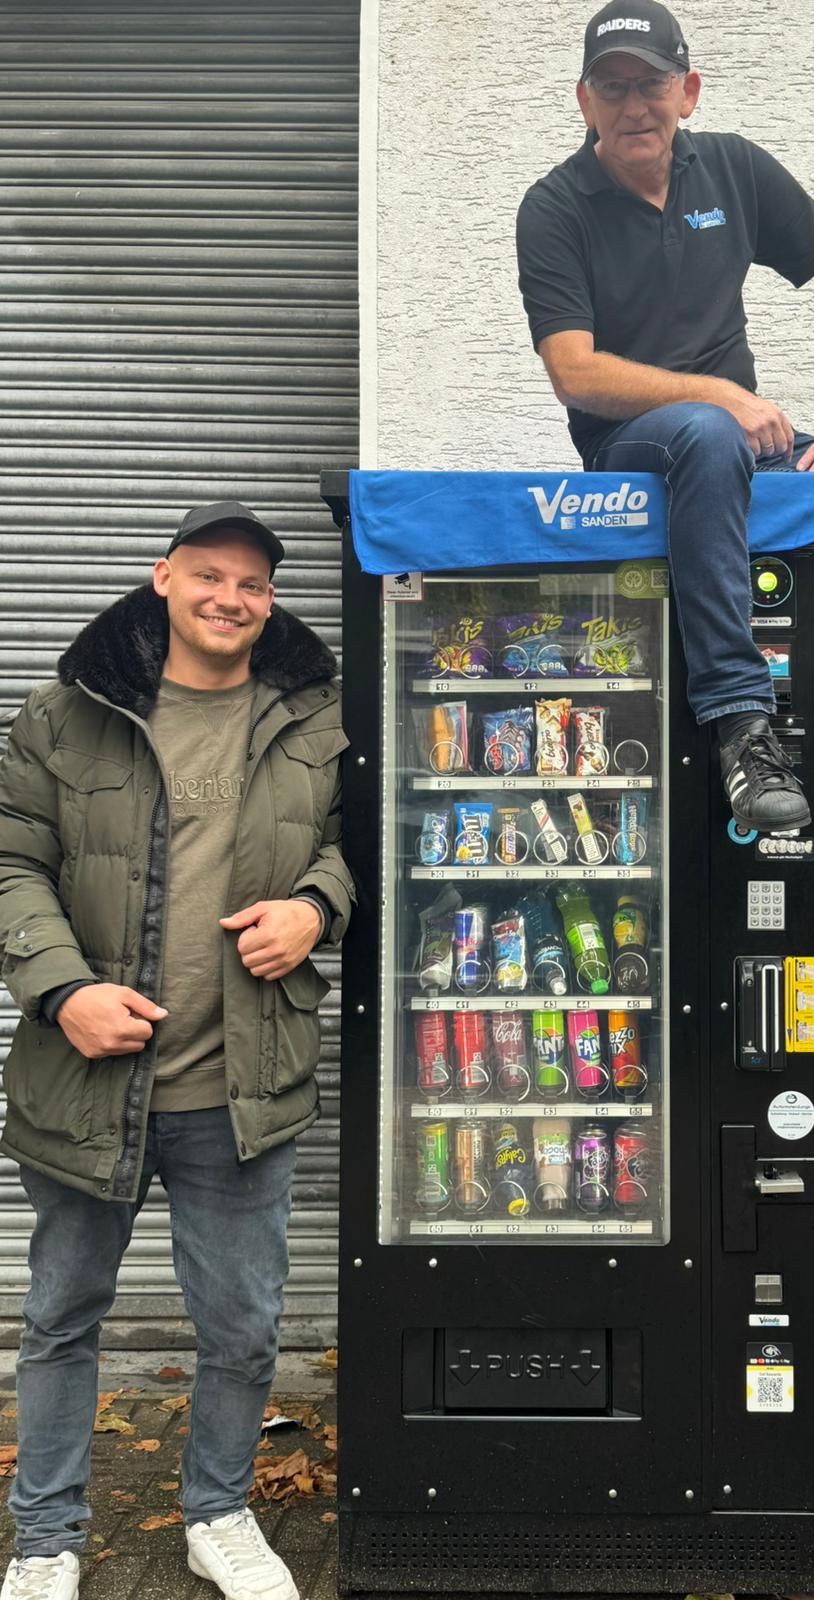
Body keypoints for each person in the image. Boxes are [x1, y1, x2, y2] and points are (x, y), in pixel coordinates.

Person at [0, 503, 354, 1600]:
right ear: (164, 578)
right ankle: (46, 1537)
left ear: (270, 600)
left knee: (242, 1326)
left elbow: (364, 841)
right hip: (87, 1077)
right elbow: (12, 862)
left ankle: (218, 1513)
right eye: (209, 575)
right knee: (62, 1318)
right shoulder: (68, 712)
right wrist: (63, 990)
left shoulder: (316, 717)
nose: (229, 599)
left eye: (252, 584)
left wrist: (314, 904)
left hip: (241, 1085)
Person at [516, 0, 814, 838]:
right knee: (707, 427)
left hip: (749, 445)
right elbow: (573, 373)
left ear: (687, 91)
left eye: (651, 84)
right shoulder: (555, 207)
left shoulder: (733, 171)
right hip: (635, 447)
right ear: (584, 102)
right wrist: (718, 394)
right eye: (611, 87)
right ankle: (741, 727)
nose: (633, 105)